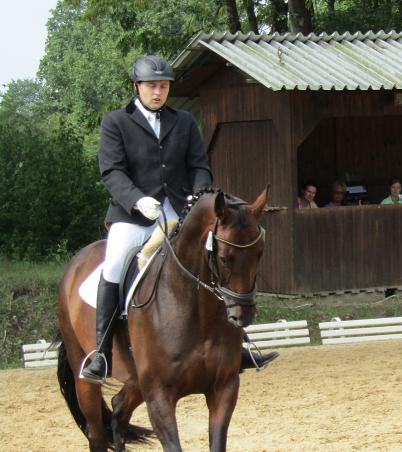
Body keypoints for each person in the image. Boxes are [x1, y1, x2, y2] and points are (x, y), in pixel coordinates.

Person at [81, 55, 276, 384]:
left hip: (178, 210)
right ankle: (101, 352)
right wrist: (137, 200)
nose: (158, 92)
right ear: (137, 87)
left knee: (214, 259)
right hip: (133, 215)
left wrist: (197, 197)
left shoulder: (183, 121)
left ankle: (238, 343)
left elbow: (199, 165)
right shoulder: (116, 122)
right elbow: (112, 171)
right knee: (114, 263)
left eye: (163, 86)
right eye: (152, 86)